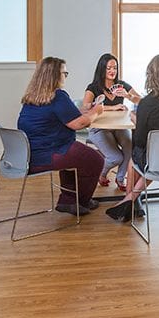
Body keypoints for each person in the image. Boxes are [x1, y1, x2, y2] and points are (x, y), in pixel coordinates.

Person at [105, 53, 159, 221]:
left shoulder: (147, 103)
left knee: (134, 157)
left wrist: (136, 120)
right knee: (149, 156)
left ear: (151, 75)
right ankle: (131, 201)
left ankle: (130, 200)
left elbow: (140, 140)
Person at [17, 57, 105, 216]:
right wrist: (96, 112)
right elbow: (79, 124)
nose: (65, 76)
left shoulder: (32, 97)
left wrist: (87, 112)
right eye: (65, 73)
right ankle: (81, 201)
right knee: (95, 159)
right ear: (55, 75)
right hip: (48, 154)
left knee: (75, 154)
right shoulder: (58, 96)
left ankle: (68, 200)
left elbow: (67, 115)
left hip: (30, 154)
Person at [80, 53, 142, 192]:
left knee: (129, 150)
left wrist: (127, 95)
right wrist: (111, 107)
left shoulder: (121, 85)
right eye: (108, 68)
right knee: (115, 158)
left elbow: (141, 101)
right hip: (99, 128)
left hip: (119, 127)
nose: (112, 71)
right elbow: (84, 108)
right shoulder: (93, 87)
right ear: (102, 69)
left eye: (114, 68)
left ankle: (120, 179)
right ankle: (100, 175)